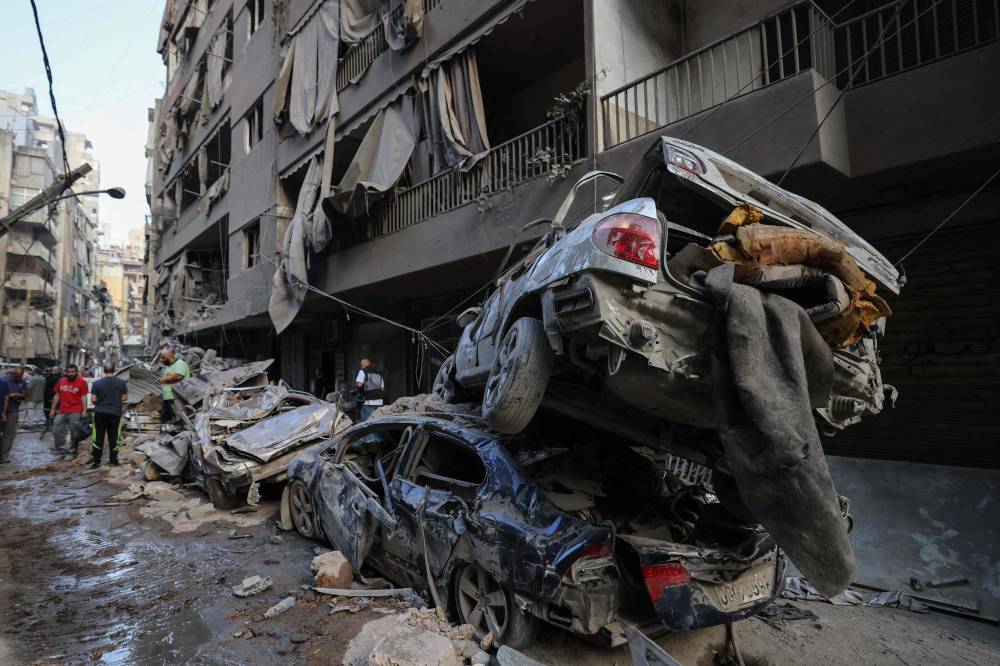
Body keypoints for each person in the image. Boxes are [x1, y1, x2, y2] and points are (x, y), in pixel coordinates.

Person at [89, 362, 128, 468]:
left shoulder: (97, 383)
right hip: (115, 413)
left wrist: (100, 402)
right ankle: (114, 460)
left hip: (100, 413)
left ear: (103, 371)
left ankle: (96, 462)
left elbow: (93, 399)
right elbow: (125, 398)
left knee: (98, 437)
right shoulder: (121, 383)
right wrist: (115, 399)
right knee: (114, 437)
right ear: (114, 370)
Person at [50, 364, 89, 460]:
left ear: (76, 372)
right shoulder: (61, 381)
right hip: (62, 410)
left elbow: (84, 397)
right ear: (66, 372)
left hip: (76, 410)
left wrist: (84, 410)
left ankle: (71, 452)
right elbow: (57, 395)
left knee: (74, 432)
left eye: (73, 372)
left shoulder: (82, 382)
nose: (71, 374)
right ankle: (61, 451)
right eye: (69, 372)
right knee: (56, 430)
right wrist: (52, 409)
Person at [0, 368, 28, 464]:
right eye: (16, 375)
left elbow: (25, 395)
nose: (17, 377)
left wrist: (19, 395)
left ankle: (4, 457)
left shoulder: (23, 383)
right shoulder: (3, 380)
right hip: (2, 409)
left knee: (9, 434)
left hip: (13, 410)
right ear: (11, 374)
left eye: (19, 376)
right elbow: (5, 396)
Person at [158, 349, 190, 424]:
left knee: (175, 419)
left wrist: (164, 380)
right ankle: (165, 435)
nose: (161, 360)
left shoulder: (180, 363)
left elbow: (178, 376)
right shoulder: (168, 366)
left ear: (169, 357)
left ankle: (176, 434)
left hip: (176, 397)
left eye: (163, 358)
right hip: (168, 397)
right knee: (166, 419)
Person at [355, 356, 385, 421]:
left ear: (363, 365)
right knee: (376, 422)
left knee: (367, 424)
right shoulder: (378, 373)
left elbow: (359, 385)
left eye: (361, 365)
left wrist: (357, 387)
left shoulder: (363, 371)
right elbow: (382, 388)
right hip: (379, 401)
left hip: (368, 402)